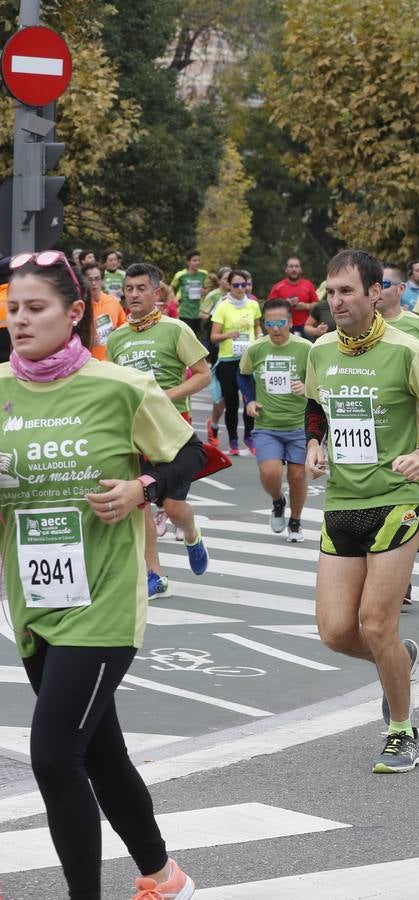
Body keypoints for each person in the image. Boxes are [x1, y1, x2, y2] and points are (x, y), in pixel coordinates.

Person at [1, 250, 205, 899]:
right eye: (13, 309)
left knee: (55, 754)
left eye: (36, 308)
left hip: (105, 601)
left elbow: (196, 453)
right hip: (35, 598)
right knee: (101, 750)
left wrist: (144, 487)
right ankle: (162, 873)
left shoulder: (120, 387)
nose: (21, 321)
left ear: (76, 313)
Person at [305, 249, 419, 773]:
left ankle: (403, 732)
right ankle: (400, 658)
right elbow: (315, 406)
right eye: (330, 293)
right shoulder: (322, 350)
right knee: (335, 631)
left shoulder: (406, 350)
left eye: (347, 291)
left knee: (376, 624)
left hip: (395, 501)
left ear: (376, 293)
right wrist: (314, 443)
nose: (337, 302)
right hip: (341, 502)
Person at [107, 262, 213, 597]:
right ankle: (155, 574)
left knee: (172, 507)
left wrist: (164, 397)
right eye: (129, 289)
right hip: (134, 433)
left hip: (172, 430)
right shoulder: (117, 338)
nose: (134, 294)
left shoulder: (176, 329)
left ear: (157, 292)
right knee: (140, 502)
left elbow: (202, 374)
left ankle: (192, 533)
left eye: (141, 288)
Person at [241, 298, 312, 542]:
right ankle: (278, 500)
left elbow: (321, 378)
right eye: (270, 323)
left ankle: (296, 521)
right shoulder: (256, 349)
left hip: (299, 426)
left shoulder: (306, 348)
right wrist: (249, 400)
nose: (276, 328)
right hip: (267, 425)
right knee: (270, 472)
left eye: (281, 322)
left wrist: (307, 387)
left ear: (291, 322)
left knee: (297, 476)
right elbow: (243, 376)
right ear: (264, 324)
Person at [208, 270, 262, 455]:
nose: (241, 288)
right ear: (229, 286)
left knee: (250, 399)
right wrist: (228, 335)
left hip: (247, 359)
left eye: (244, 284)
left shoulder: (253, 305)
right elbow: (213, 336)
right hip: (228, 360)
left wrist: (260, 337)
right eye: (236, 285)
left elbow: (256, 326)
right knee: (231, 402)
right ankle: (232, 440)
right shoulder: (223, 306)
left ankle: (249, 436)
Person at [378, 263, 419, 355]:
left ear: (401, 289)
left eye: (384, 283)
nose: (376, 290)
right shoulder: (358, 326)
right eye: (370, 284)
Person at [81, 264, 127, 361]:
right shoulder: (81, 307)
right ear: (84, 281)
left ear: (102, 281)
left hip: (112, 362)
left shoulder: (113, 302)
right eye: (90, 279)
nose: (94, 283)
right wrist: (87, 341)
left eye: (97, 279)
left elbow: (125, 329)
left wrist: (117, 334)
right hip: (88, 363)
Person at [268, 255, 319, 335]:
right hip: (283, 325)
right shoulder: (277, 287)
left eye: (296, 266)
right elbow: (269, 307)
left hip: (306, 326)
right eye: (291, 266)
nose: (294, 269)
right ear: (286, 269)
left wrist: (306, 306)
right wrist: (285, 303)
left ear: (300, 269)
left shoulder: (308, 285)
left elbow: (317, 304)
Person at [171, 250, 208, 347]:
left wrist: (205, 291)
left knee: (197, 338)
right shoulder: (181, 275)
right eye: (194, 260)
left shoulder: (204, 274)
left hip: (199, 311)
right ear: (188, 262)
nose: (197, 263)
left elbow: (209, 287)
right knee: (186, 336)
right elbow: (171, 288)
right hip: (185, 310)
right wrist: (174, 299)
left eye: (199, 260)